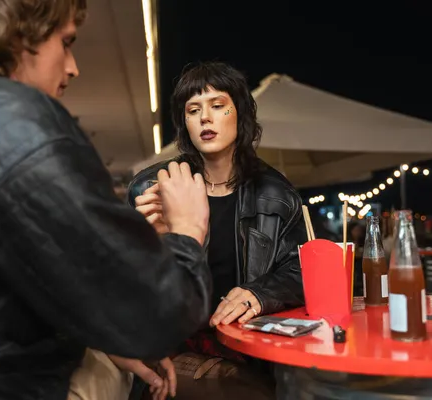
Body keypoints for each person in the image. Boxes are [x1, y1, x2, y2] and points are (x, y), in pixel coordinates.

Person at [0, 1, 212, 400]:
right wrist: (188, 229)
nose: (72, 67)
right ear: (20, 35)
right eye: (66, 42)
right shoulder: (19, 124)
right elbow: (158, 316)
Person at [128, 62, 307, 399]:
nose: (205, 118)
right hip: (172, 351)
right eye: (193, 110)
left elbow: (302, 270)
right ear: (185, 122)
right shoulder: (151, 188)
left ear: (239, 113)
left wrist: (259, 292)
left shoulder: (277, 193)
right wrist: (148, 241)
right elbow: (119, 288)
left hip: (253, 350)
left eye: (217, 106)